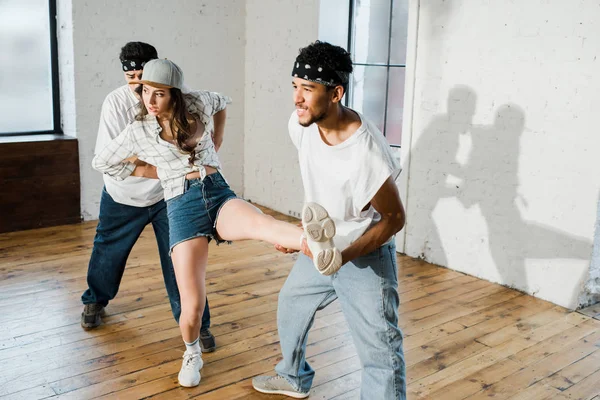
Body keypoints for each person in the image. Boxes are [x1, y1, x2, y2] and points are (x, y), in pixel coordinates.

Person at [91, 58, 343, 388]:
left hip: (216, 190)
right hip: (180, 206)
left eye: (159, 94)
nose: (149, 101)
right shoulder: (138, 130)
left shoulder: (197, 101)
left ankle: (319, 244)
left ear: (175, 94)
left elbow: (223, 102)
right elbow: (102, 161)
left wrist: (218, 137)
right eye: (144, 92)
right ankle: (191, 352)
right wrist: (151, 171)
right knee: (192, 306)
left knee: (261, 225)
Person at [252, 41, 407, 399]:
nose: (297, 98)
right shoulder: (302, 124)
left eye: (308, 89)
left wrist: (344, 257)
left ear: (336, 92)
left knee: (380, 352)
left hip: (364, 252)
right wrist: (304, 238)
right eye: (295, 86)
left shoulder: (367, 155)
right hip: (323, 246)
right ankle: (293, 377)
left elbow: (394, 218)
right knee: (291, 302)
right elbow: (325, 184)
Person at [80, 42, 215, 353]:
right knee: (108, 252)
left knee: (182, 261)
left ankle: (198, 325)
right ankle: (95, 301)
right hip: (123, 194)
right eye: (132, 80)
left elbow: (212, 113)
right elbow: (114, 159)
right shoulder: (115, 104)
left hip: (170, 195)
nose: (140, 87)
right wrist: (167, 164)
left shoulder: (178, 94)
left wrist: (210, 144)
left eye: (144, 78)